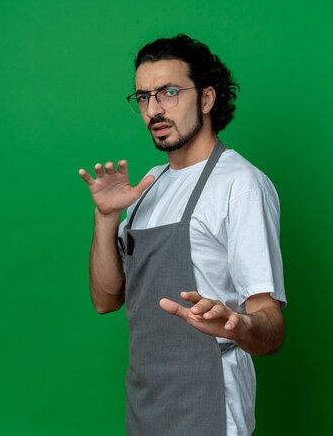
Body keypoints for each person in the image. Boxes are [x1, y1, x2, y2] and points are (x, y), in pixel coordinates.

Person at [78, 34, 286, 436]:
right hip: (146, 401)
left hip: (209, 398)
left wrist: (236, 325)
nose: (154, 109)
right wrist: (106, 218)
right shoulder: (150, 184)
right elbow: (106, 299)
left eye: (169, 92)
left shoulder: (240, 184)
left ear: (207, 99)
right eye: (143, 97)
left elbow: (271, 327)